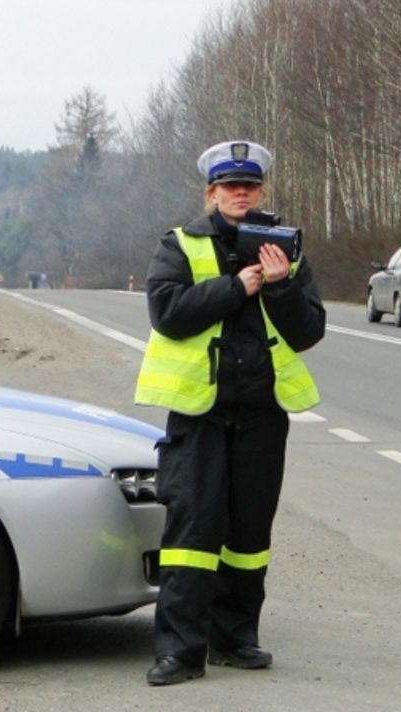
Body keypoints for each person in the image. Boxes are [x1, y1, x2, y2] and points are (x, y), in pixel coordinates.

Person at [134, 140, 325, 686]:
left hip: (263, 414)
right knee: (192, 533)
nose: (241, 193)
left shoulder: (286, 250)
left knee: (249, 535)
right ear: (211, 193)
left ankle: (236, 639)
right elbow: (166, 313)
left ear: (262, 191)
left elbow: (308, 330)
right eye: (229, 186)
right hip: (200, 415)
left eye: (250, 185)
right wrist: (233, 287)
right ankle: (178, 652)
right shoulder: (180, 245)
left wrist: (282, 284)